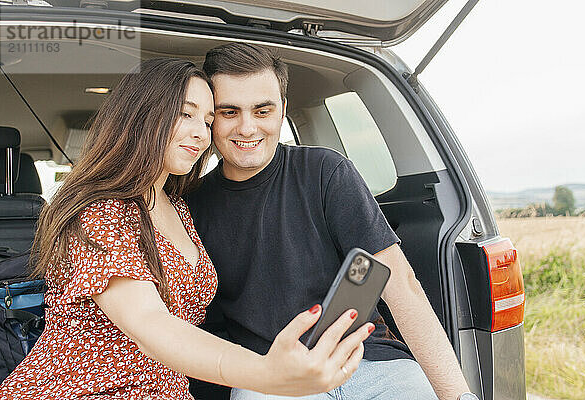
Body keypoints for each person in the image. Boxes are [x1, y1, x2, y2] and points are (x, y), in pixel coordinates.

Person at [0, 58, 374, 399]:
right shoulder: (101, 211)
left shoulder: (178, 208)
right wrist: (266, 374)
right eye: (186, 114)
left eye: (208, 121)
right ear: (143, 116)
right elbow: (150, 324)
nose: (201, 134)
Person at [185, 43, 475, 400]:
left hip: (370, 362)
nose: (247, 128)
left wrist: (458, 395)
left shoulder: (326, 172)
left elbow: (401, 284)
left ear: (282, 111)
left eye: (263, 110)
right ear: (210, 117)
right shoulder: (190, 204)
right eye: (230, 111)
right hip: (270, 378)